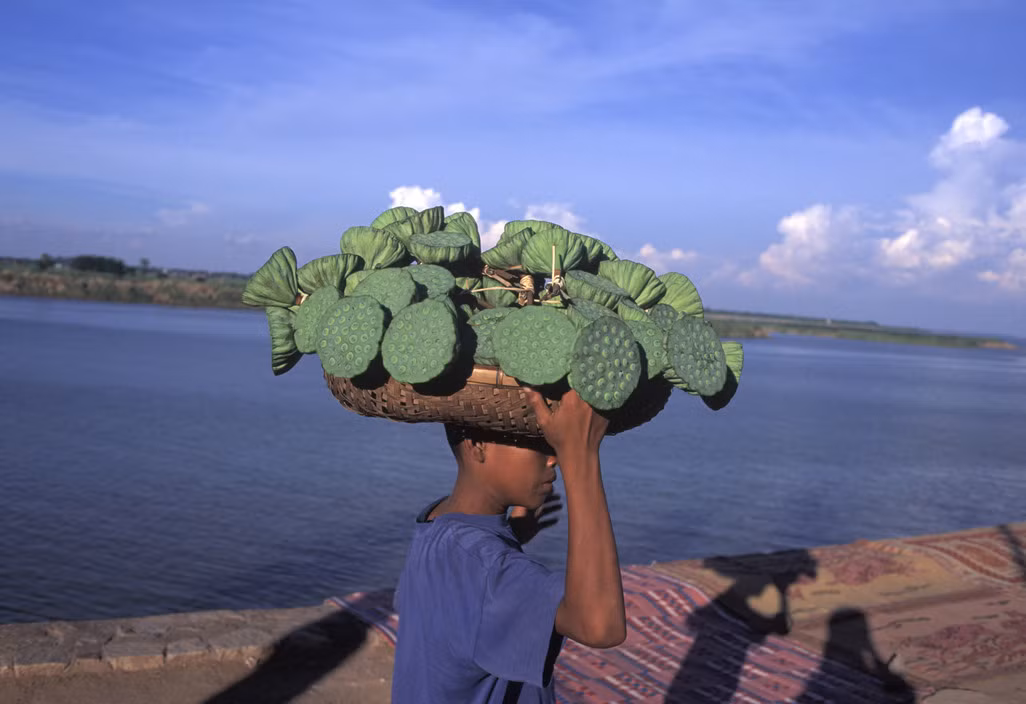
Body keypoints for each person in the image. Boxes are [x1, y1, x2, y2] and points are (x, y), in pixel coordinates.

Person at [391, 389, 627, 703]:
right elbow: (601, 626)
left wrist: (510, 535)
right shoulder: (489, 570)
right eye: (538, 442)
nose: (554, 457)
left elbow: (466, 591)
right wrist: (580, 457)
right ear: (477, 445)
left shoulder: (434, 525)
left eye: (554, 444)